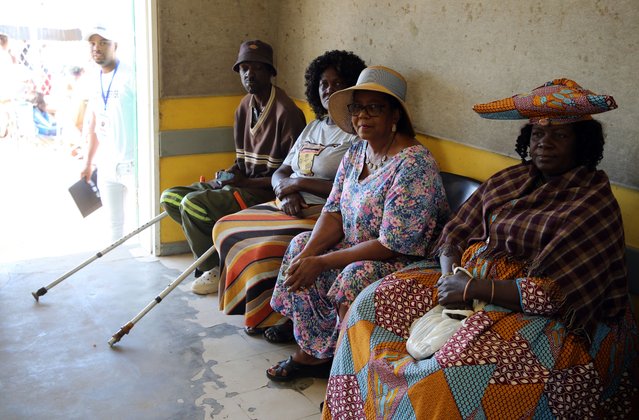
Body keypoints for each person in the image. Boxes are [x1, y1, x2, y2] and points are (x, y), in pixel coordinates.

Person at [322, 79, 639, 419]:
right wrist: (449, 282)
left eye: (559, 136)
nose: (544, 144)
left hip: (534, 309)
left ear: (583, 145)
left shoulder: (592, 203)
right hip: (465, 281)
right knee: (368, 306)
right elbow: (455, 234)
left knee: (450, 371)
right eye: (537, 134)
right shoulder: (511, 180)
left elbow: (558, 294)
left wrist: (474, 288)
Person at [265, 66, 450, 382]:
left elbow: (394, 244)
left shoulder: (414, 165)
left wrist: (321, 261)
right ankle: (316, 350)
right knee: (299, 246)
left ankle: (341, 365)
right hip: (357, 248)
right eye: (356, 107)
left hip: (403, 262)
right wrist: (309, 255)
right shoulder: (355, 152)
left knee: (354, 277)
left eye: (374, 107)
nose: (362, 115)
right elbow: (334, 212)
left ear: (394, 115)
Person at [212, 50, 366, 336]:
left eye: (337, 83)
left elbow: (349, 189)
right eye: (323, 83)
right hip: (289, 203)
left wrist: (299, 185)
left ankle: (275, 316)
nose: (329, 89)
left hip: (323, 212)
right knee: (226, 226)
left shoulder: (357, 133)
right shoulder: (314, 127)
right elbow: (282, 172)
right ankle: (256, 305)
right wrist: (287, 193)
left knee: (262, 246)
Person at [160, 40, 306, 295]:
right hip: (243, 184)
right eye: (244, 68)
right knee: (171, 197)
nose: (249, 74)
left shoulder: (287, 113)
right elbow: (242, 161)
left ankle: (214, 268)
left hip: (266, 193)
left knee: (192, 205)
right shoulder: (243, 107)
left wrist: (244, 183)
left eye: (258, 68)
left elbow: (291, 176)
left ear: (271, 72)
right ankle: (218, 256)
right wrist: (230, 174)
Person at [81, 26, 137, 242]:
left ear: (115, 46)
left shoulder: (131, 76)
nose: (97, 48)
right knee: (114, 227)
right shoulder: (93, 78)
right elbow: (95, 121)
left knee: (141, 228)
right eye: (93, 43)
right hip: (106, 164)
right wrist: (88, 162)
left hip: (132, 164)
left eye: (103, 42)